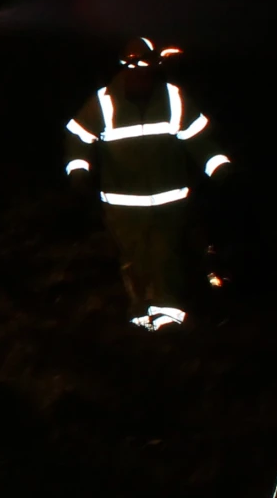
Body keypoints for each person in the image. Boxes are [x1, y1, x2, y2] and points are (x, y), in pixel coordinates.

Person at [63, 37, 233, 330]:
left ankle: (169, 319)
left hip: (170, 201)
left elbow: (199, 138)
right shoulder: (104, 103)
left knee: (166, 256)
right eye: (130, 65)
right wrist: (78, 171)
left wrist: (219, 168)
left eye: (143, 65)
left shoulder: (174, 98)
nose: (137, 72)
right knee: (135, 258)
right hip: (122, 203)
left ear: (155, 65)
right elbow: (78, 137)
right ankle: (142, 317)